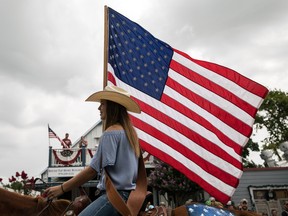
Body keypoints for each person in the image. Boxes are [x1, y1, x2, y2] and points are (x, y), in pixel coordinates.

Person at [44, 85, 142, 216]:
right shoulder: (131, 135)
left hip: (114, 198)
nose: (99, 108)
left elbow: (92, 170)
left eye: (102, 104)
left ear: (111, 106)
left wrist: (61, 188)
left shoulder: (110, 133)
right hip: (131, 197)